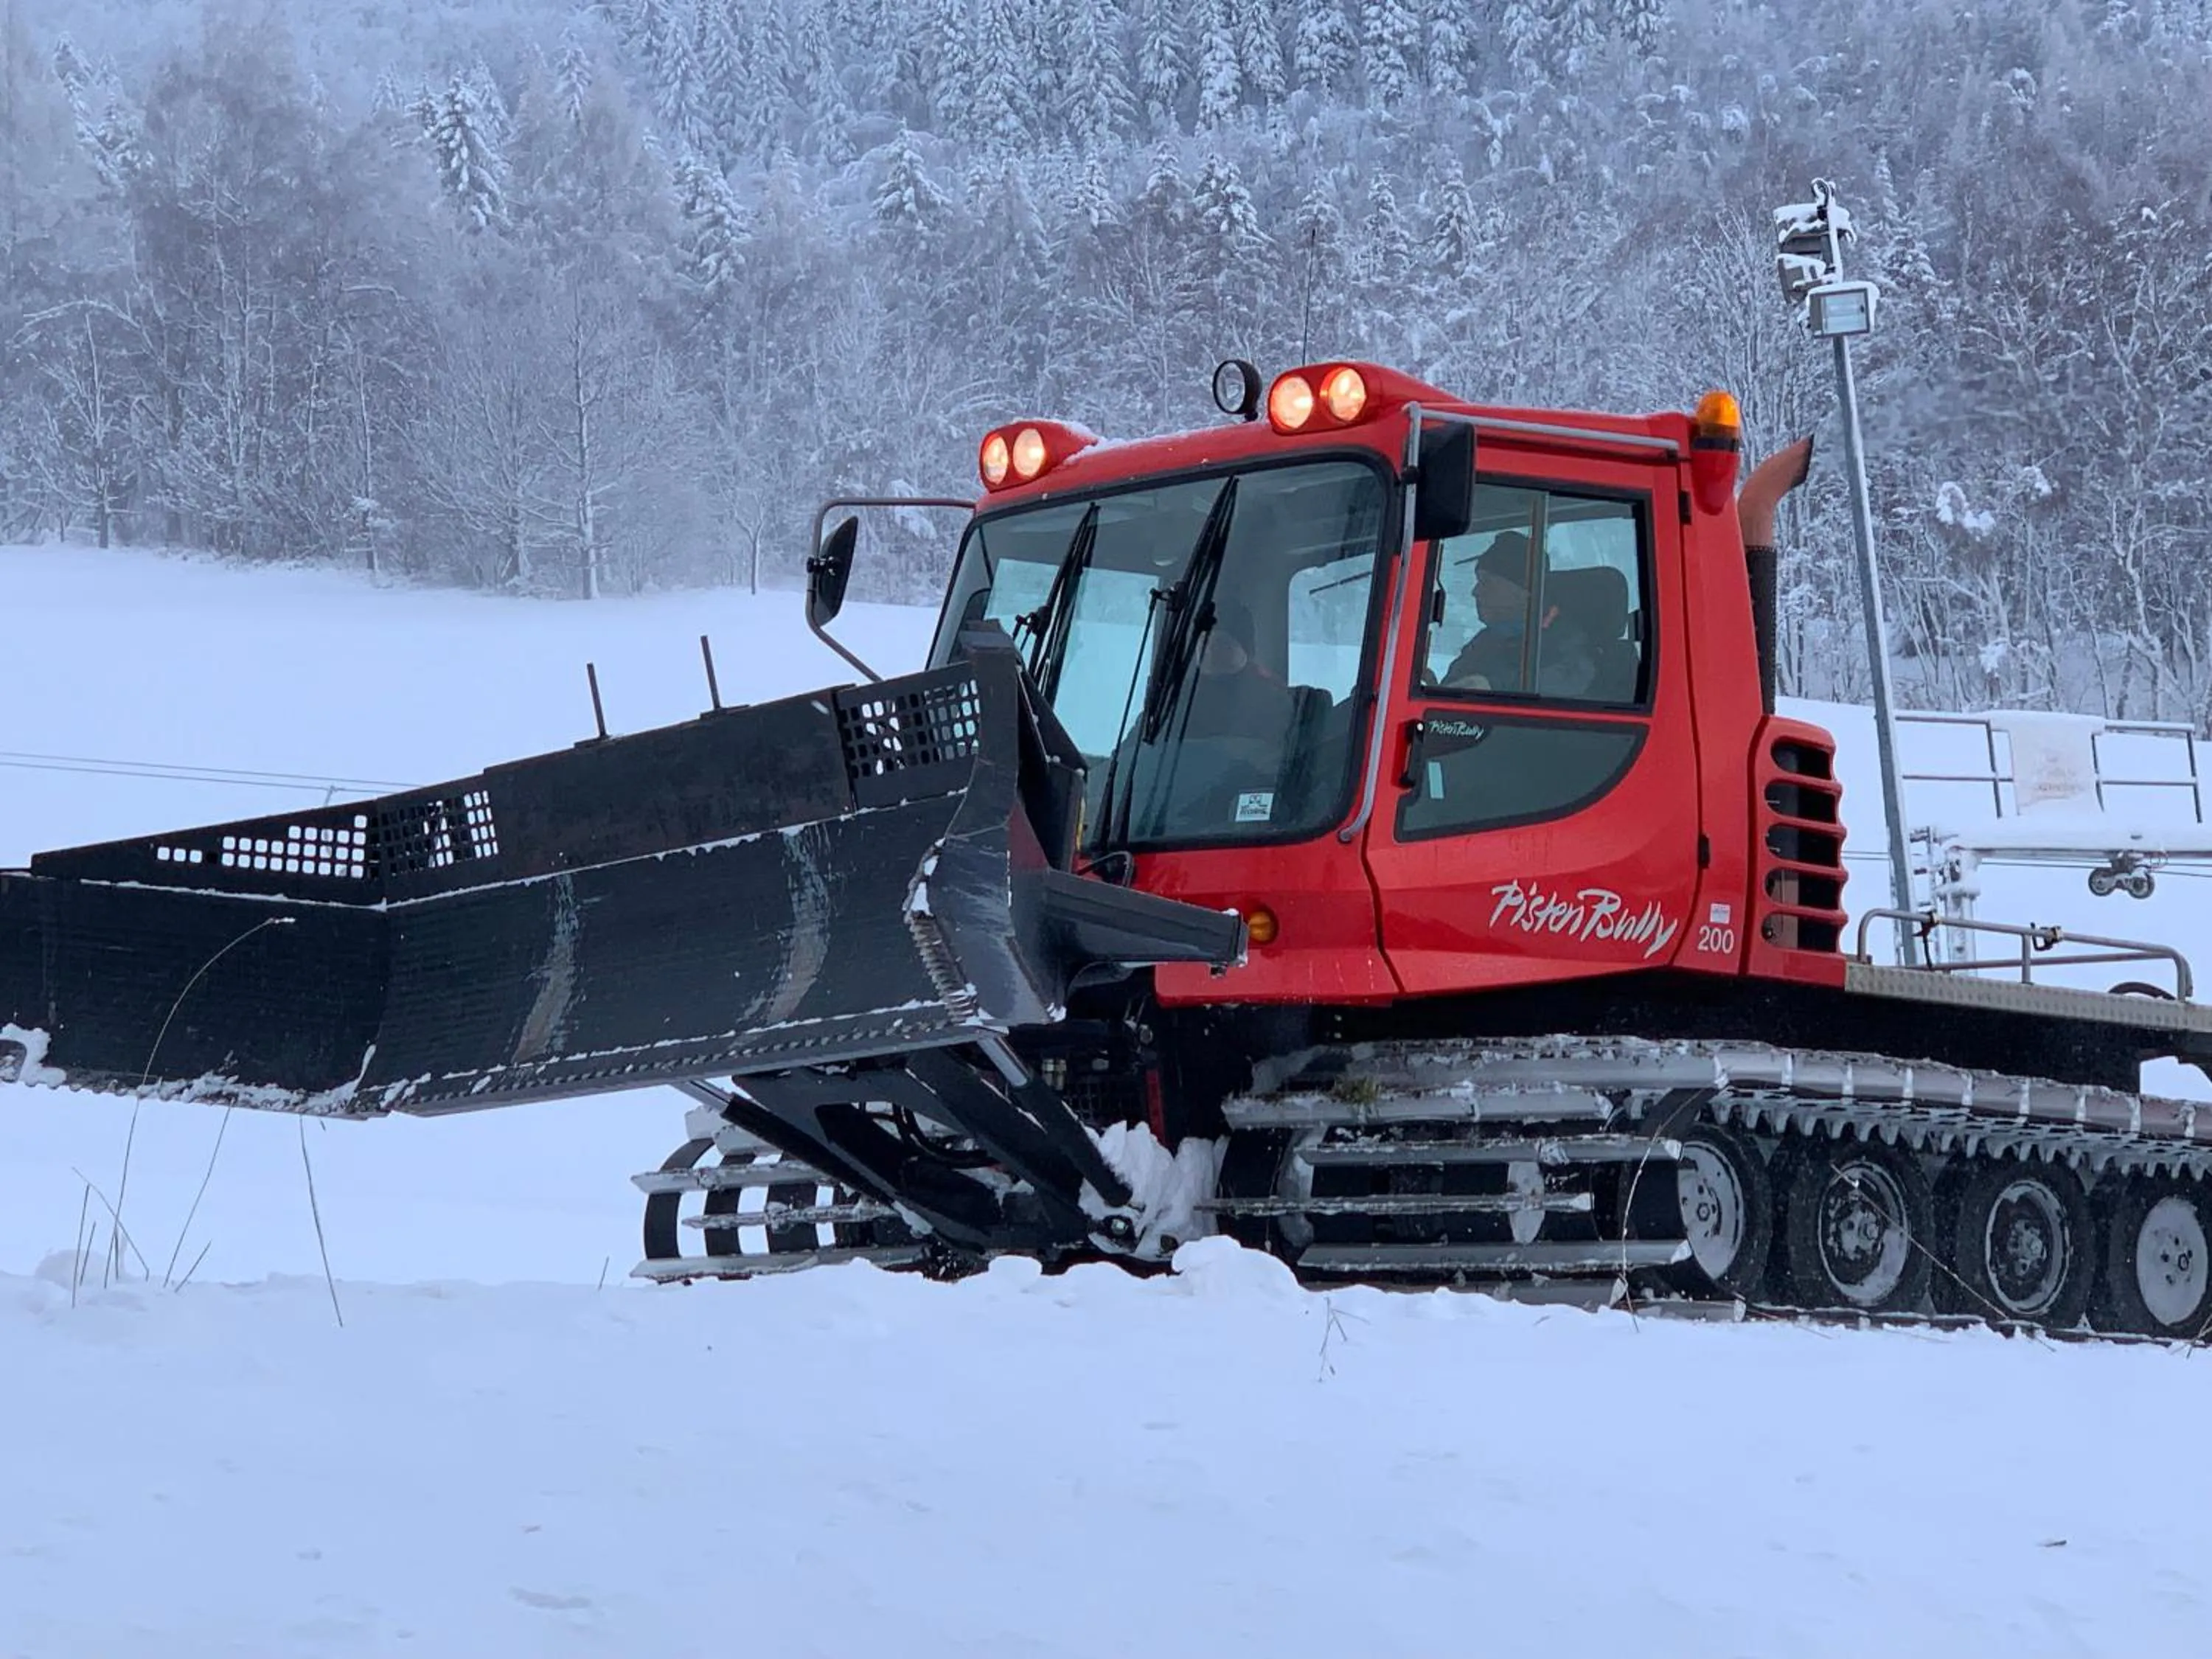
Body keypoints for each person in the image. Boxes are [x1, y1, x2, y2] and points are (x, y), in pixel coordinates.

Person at [1440, 532, 1595, 698]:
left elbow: (1551, 695)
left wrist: (1492, 688)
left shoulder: (1565, 646)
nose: (1475, 592)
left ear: (1523, 592)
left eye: (1487, 582)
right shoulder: (1486, 641)